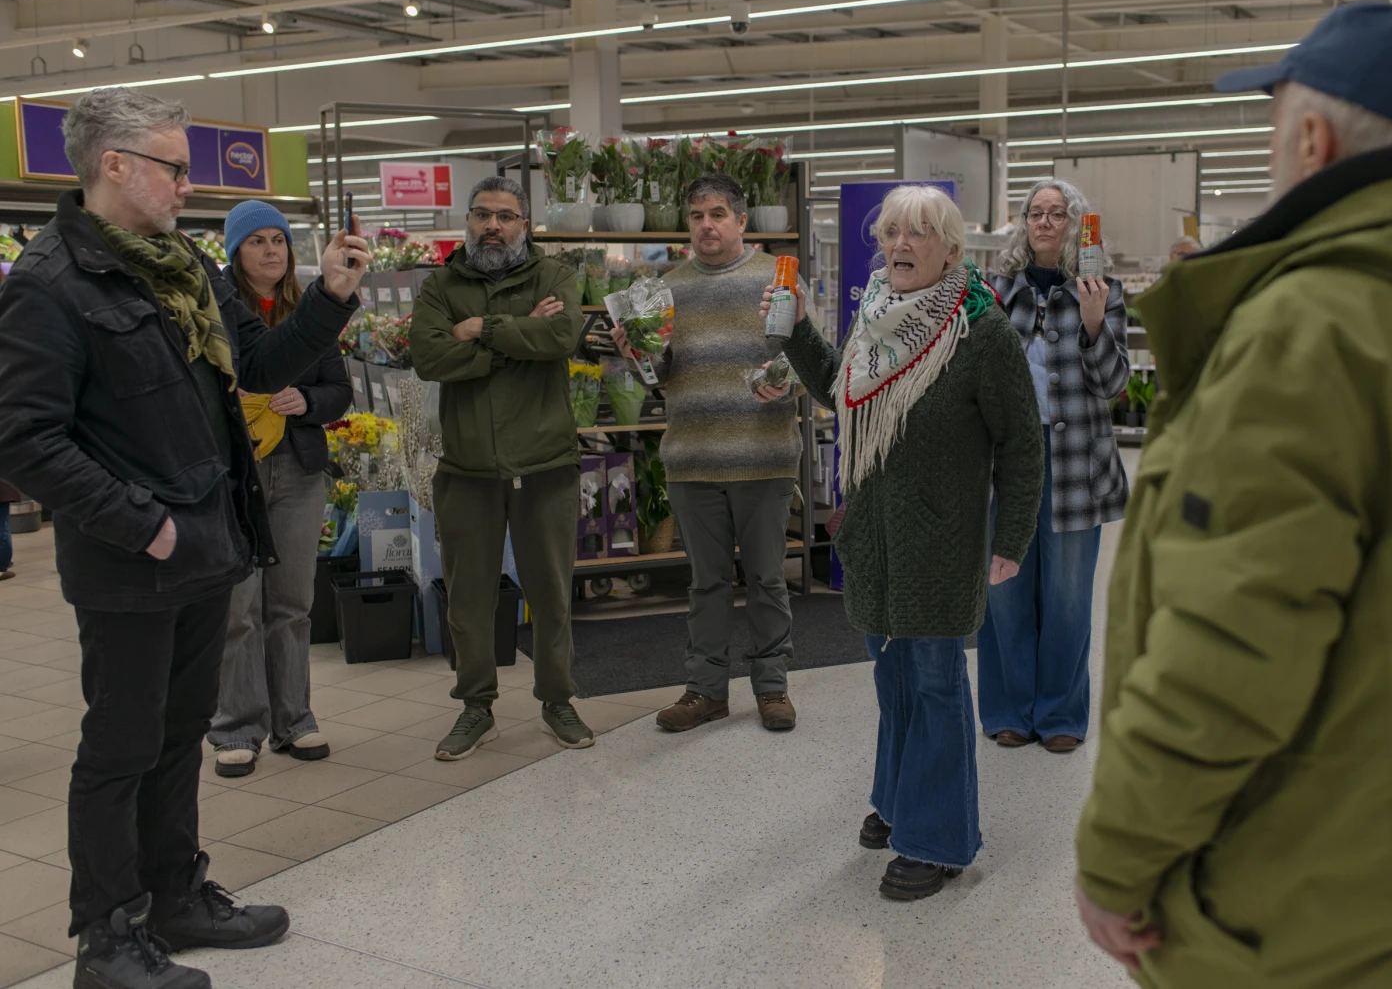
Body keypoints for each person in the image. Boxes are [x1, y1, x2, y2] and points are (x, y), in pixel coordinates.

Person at [1075, 2, 1392, 989]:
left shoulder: (1307, 331)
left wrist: (1115, 860)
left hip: (1320, 919)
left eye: (1273, 130)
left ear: (1310, 138)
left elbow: (1225, 656)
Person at [0, 87, 369, 989]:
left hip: (210, 544)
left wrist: (328, 298)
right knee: (120, 745)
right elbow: (24, 438)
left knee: (178, 735)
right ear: (114, 165)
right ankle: (108, 938)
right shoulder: (50, 284)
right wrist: (146, 525)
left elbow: (258, 362)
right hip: (134, 561)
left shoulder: (189, 271)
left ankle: (175, 895)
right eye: (172, 166)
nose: (185, 185)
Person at [758, 184, 1042, 900]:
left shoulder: (983, 334)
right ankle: (897, 798)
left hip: (942, 543)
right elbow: (840, 390)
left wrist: (1012, 536)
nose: (901, 245)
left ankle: (938, 839)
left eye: (919, 233)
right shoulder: (877, 318)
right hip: (877, 537)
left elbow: (1022, 446)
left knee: (936, 684)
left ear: (952, 249)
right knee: (893, 680)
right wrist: (794, 332)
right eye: (891, 233)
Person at [411, 175, 594, 761]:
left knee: (551, 593)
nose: (493, 225)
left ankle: (557, 700)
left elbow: (562, 335)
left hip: (546, 465)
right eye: (482, 214)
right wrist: (520, 336)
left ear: (525, 225)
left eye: (506, 216)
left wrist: (480, 329)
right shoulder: (441, 284)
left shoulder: (555, 276)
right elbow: (429, 355)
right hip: (467, 469)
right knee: (467, 599)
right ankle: (475, 707)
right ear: (468, 221)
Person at [612, 172, 802, 734]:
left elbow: (807, 360)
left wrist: (786, 385)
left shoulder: (778, 278)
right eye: (697, 217)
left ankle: (772, 687)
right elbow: (661, 375)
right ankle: (706, 691)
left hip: (764, 457)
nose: (707, 226)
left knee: (768, 580)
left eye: (718, 214)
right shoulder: (664, 289)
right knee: (705, 584)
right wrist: (637, 354)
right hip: (692, 459)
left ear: (741, 221)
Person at [980, 179, 1130, 754]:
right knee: (1004, 590)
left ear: (1077, 224)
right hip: (1007, 464)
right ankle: (1008, 709)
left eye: (1057, 213)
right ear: (1023, 225)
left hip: (1075, 466)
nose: (1045, 222)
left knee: (1068, 596)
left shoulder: (1104, 291)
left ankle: (1061, 714)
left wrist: (1094, 324)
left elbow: (1113, 386)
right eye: (1034, 213)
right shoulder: (997, 292)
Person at [207, 200, 352, 778]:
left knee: (292, 602)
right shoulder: (215, 309)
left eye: (279, 240)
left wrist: (307, 403)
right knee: (238, 604)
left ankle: (295, 719)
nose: (271, 251)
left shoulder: (310, 311)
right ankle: (236, 727)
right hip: (234, 474)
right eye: (256, 242)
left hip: (296, 467)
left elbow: (338, 391)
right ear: (234, 252)